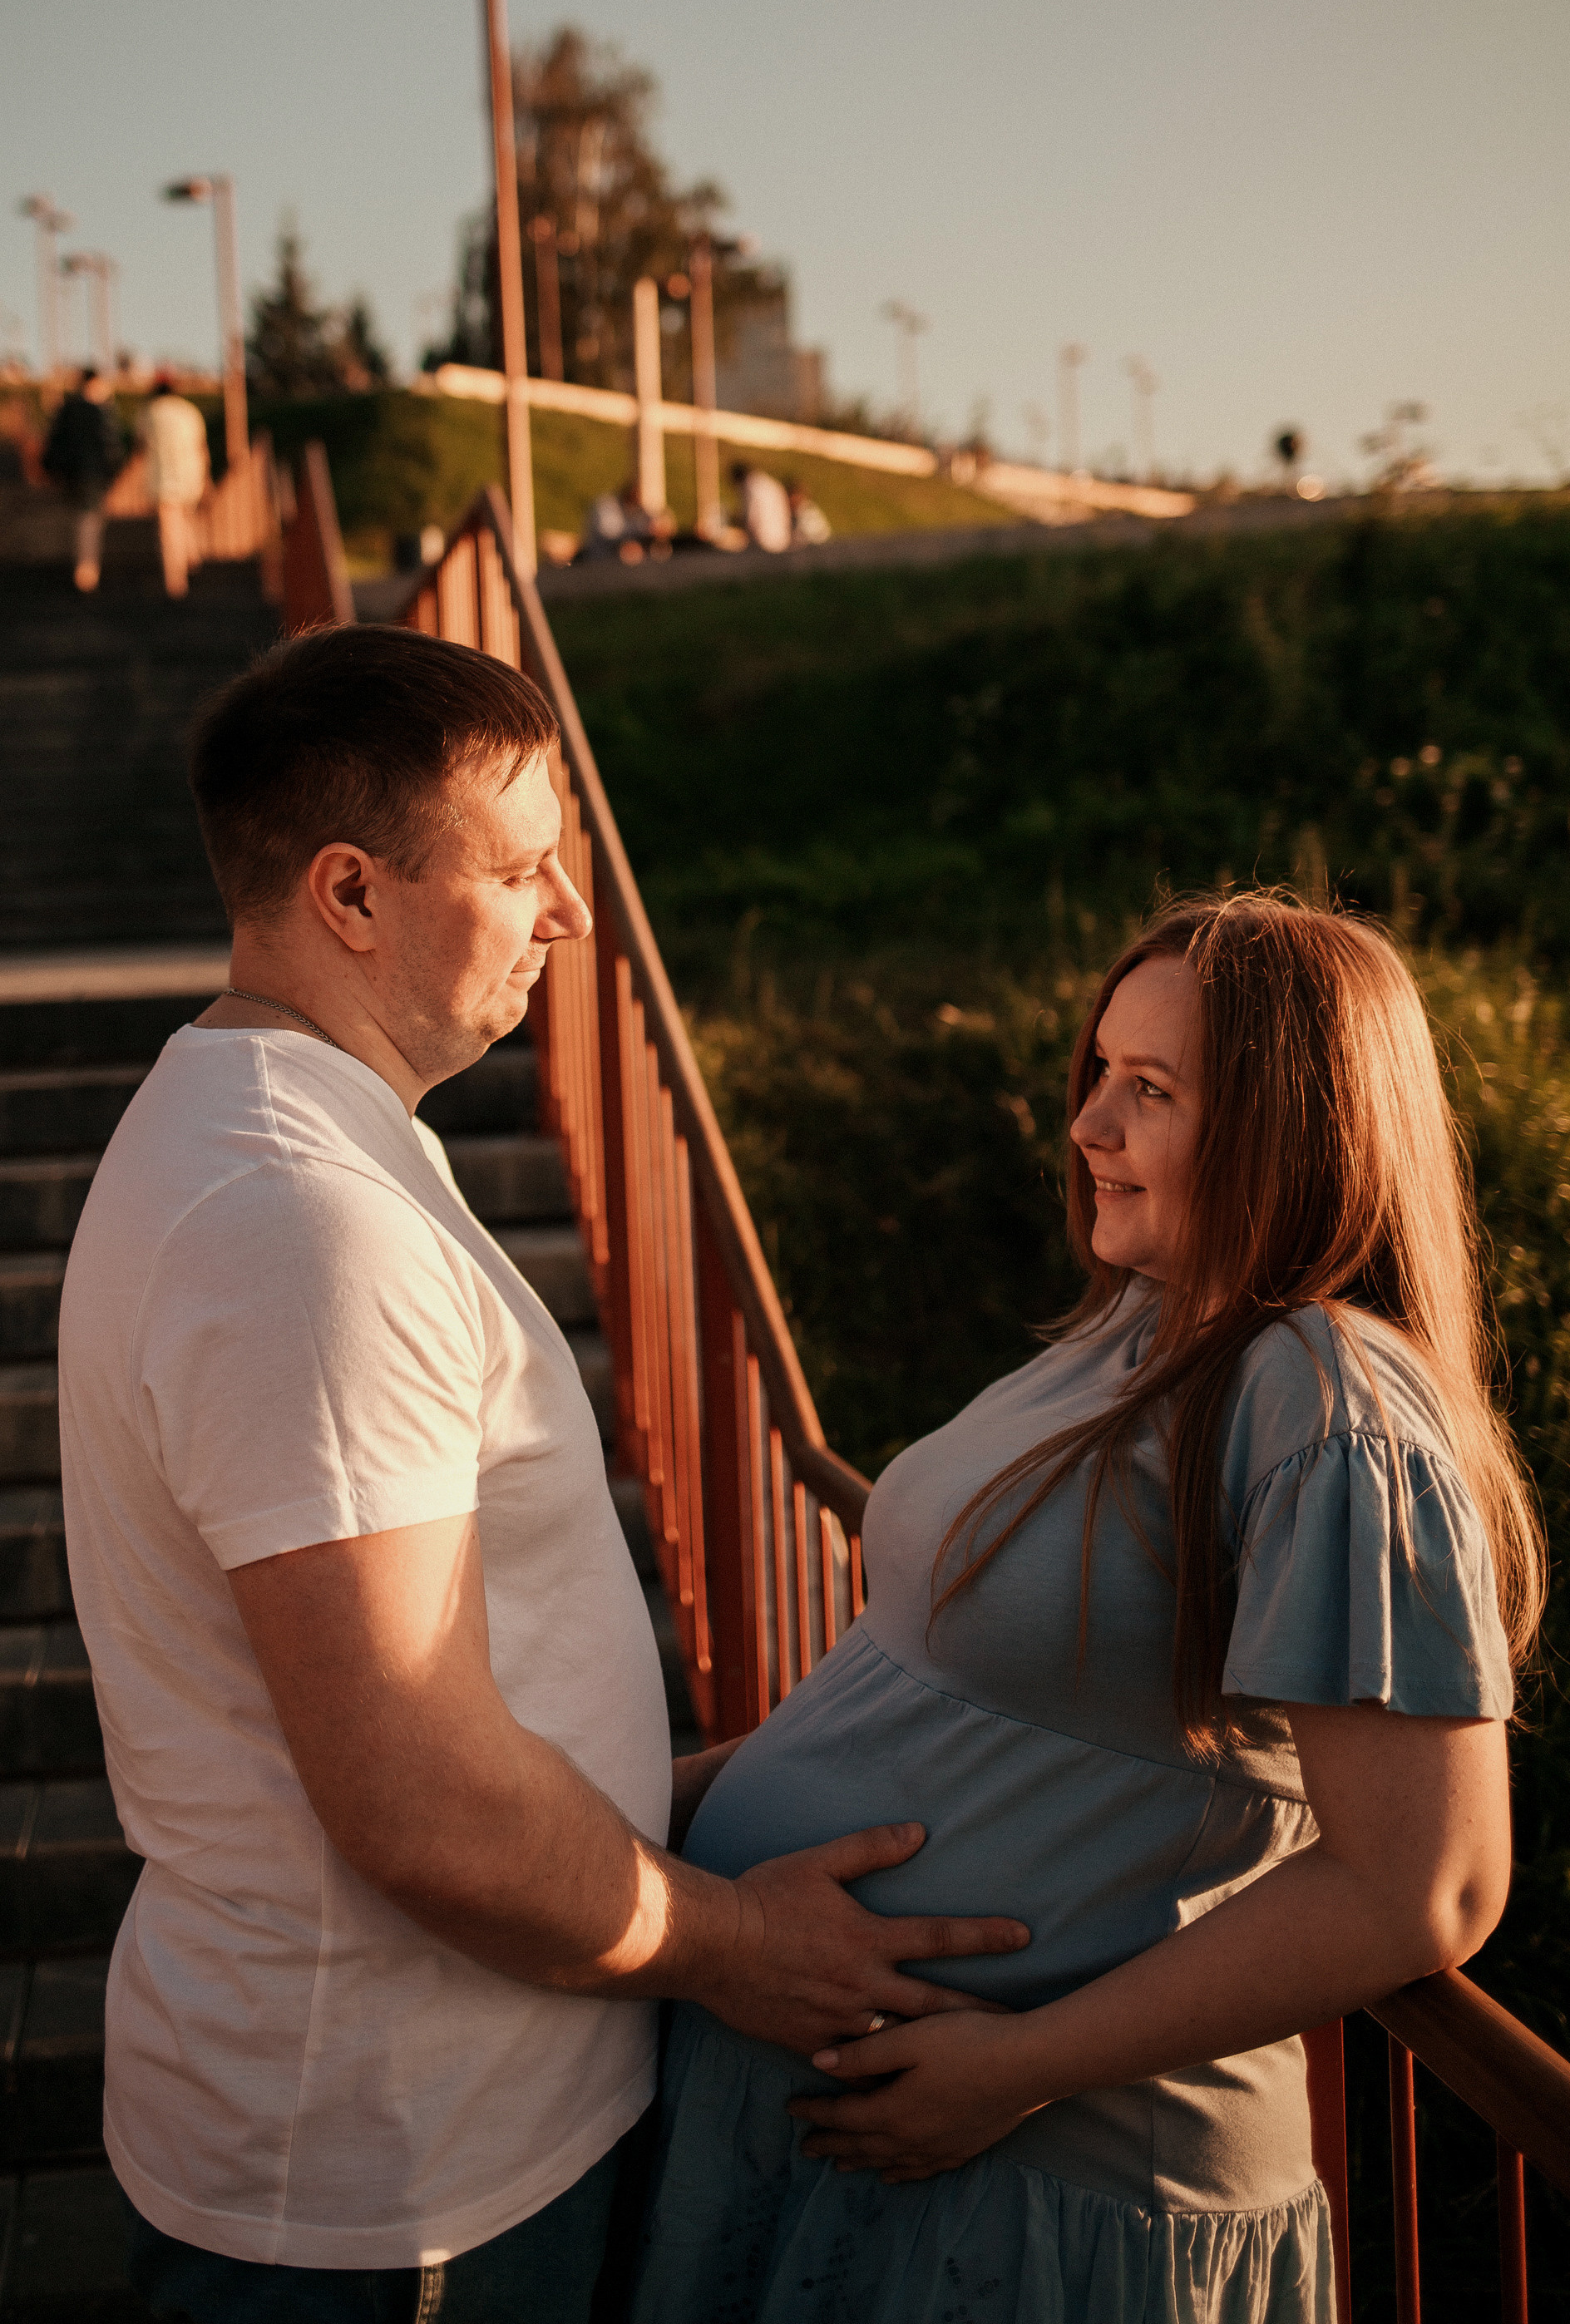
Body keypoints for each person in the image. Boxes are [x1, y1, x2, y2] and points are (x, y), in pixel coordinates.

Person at [57, 624, 1026, 2322]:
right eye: (520, 868)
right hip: (391, 2191)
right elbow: (418, 1805)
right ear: (351, 897)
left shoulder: (293, 1141)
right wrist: (742, 1948)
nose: (568, 911)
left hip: (417, 2125)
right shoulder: (299, 1226)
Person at [632, 891, 1540, 2323]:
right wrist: (634, 1819)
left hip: (1050, 2192)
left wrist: (1015, 2066)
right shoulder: (1135, 1328)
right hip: (867, 2143)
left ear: (1292, 1129)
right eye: (1097, 1075)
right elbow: (927, 1684)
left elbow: (1432, 1883)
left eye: (1153, 1092)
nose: (1089, 1128)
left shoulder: (1327, 1401)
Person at [42, 364, 127, 592]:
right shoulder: (101, 412)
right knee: (90, 519)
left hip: (71, 473)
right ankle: (87, 570)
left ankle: (83, 566)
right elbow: (112, 447)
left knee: (79, 518)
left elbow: (54, 441)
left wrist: (52, 469)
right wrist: (115, 470)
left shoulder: (66, 409)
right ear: (95, 383)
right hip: (93, 473)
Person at [144, 372, 210, 599]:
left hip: (164, 477)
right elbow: (202, 446)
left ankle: (175, 581)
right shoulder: (190, 411)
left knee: (169, 529)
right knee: (184, 518)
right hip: (191, 474)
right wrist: (207, 478)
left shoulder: (150, 411)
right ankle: (192, 557)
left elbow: (140, 444)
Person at [738, 466, 792, 553]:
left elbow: (752, 518)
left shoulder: (751, 486)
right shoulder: (769, 483)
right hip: (783, 539)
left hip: (765, 542)